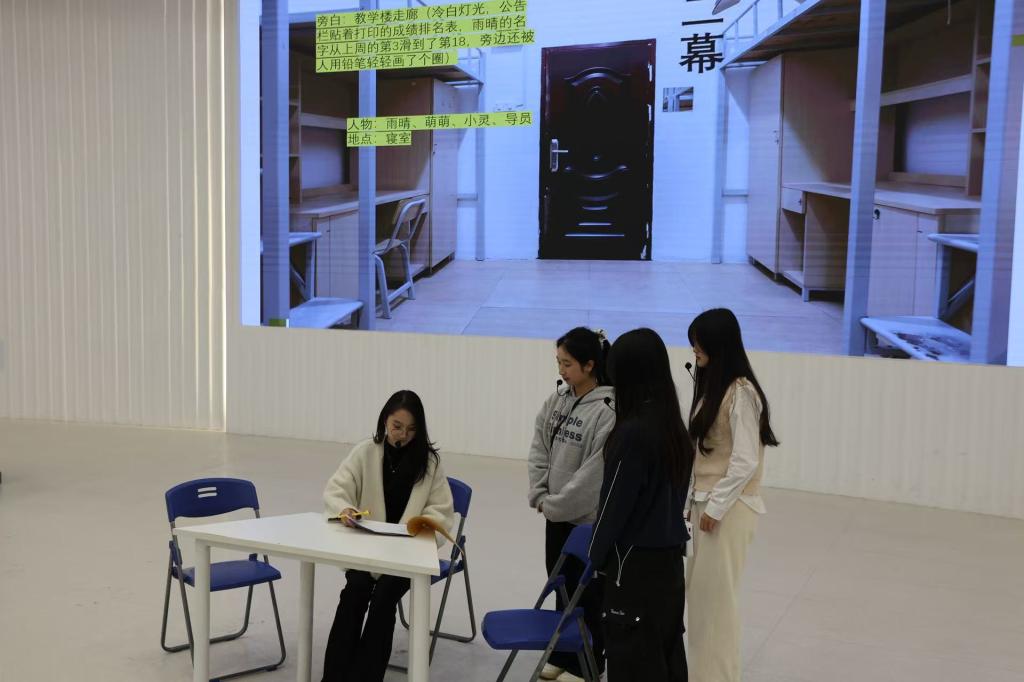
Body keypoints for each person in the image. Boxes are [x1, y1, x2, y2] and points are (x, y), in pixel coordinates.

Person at [321, 390, 454, 682]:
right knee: (355, 592)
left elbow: (442, 511)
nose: (403, 435)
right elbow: (336, 489)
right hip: (366, 551)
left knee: (384, 598)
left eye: (411, 429)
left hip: (406, 557)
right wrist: (345, 509)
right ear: (384, 421)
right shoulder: (365, 452)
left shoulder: (429, 463)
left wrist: (423, 528)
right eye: (397, 426)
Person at [589, 328, 693, 682]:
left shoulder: (633, 433)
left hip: (632, 569)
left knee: (632, 663)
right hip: (669, 567)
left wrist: (594, 557)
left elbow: (612, 508)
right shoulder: (674, 428)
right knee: (666, 658)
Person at [685, 308, 779, 682]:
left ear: (718, 344)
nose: (694, 349)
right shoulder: (713, 389)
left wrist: (717, 506)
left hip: (729, 509)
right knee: (702, 601)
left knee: (717, 605)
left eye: (699, 342)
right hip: (707, 505)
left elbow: (745, 460)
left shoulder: (742, 393)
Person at [528, 327, 615, 682]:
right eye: (559, 363)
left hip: (585, 519)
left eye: (568, 364)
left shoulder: (608, 410)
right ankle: (562, 653)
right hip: (554, 513)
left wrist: (556, 504)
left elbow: (594, 474)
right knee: (561, 583)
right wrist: (540, 494)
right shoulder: (558, 400)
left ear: (590, 365)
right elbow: (539, 448)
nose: (561, 370)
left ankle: (588, 661)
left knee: (587, 593)